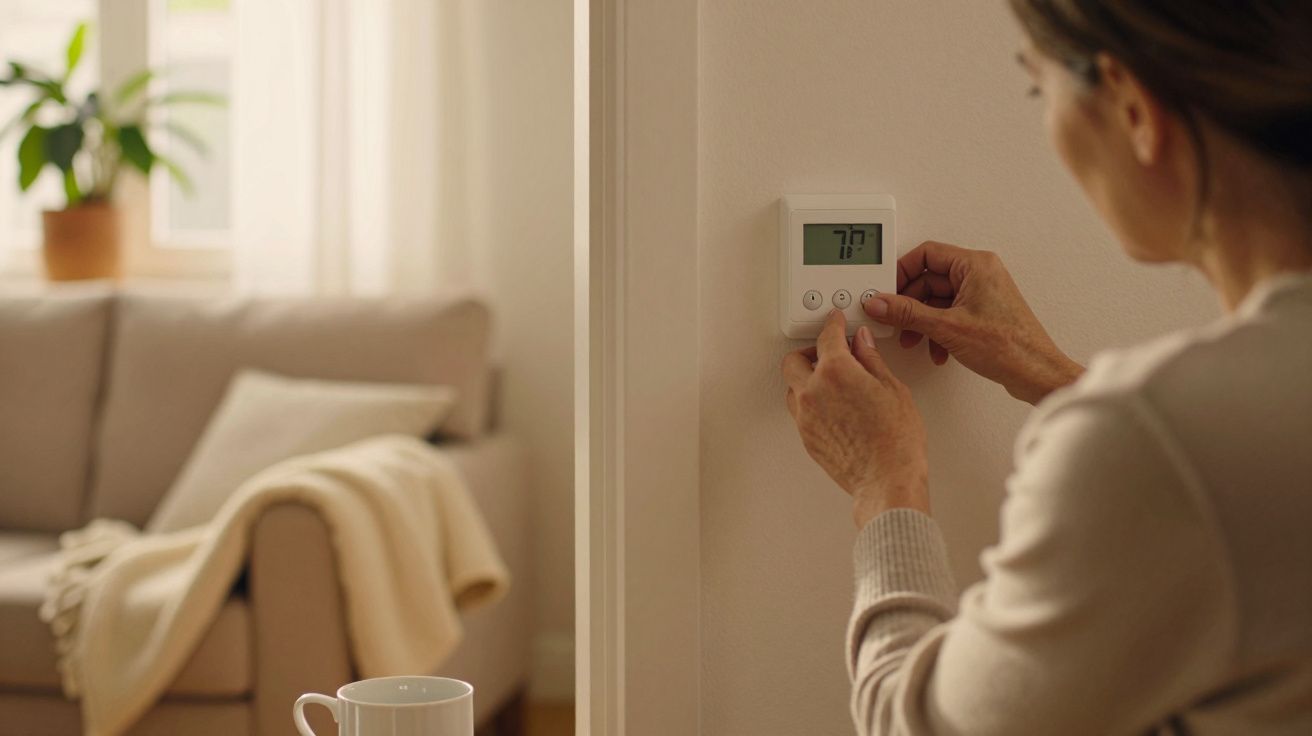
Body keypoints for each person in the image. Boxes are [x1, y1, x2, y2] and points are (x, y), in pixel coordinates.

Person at [780, 1, 1312, 734]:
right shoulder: (1199, 434)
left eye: (1040, 88)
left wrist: (886, 482)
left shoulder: (1149, 443)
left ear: (1132, 108)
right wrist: (1049, 373)